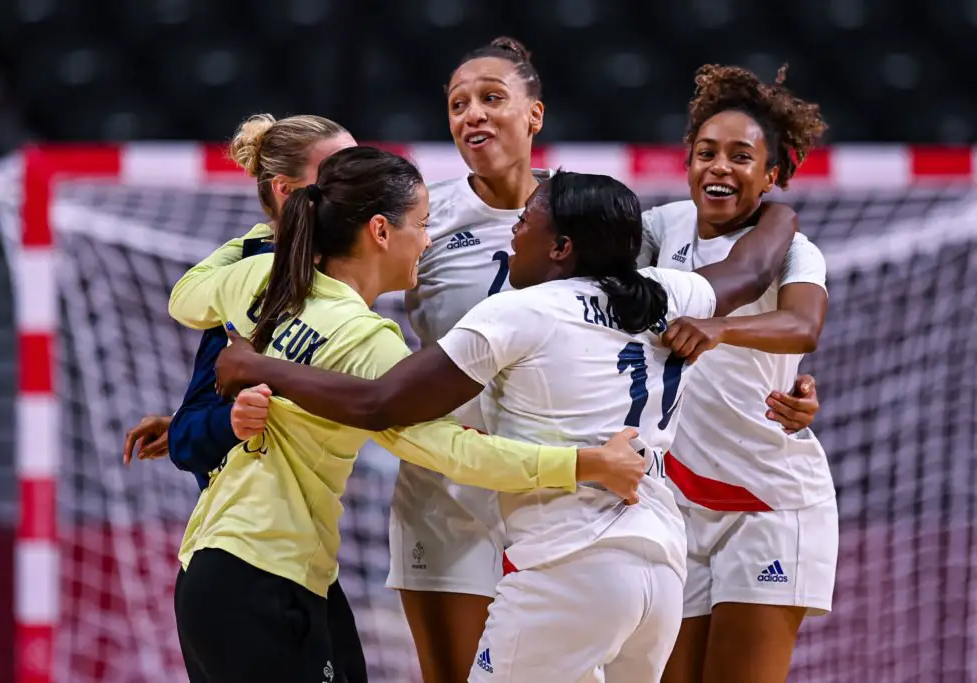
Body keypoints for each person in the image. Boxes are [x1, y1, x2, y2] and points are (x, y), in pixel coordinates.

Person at [211, 170, 806, 682]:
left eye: (525, 222)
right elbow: (753, 268)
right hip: (661, 572)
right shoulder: (668, 293)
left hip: (569, 567)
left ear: (562, 247)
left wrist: (259, 366)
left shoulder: (519, 312)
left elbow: (381, 403)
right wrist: (782, 209)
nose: (512, 234)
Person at [386, 36, 822, 683]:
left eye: (492, 98)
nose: (473, 113)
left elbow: (776, 301)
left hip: (614, 496)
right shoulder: (427, 216)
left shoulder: (594, 219)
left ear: (535, 115)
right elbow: (352, 286)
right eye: (458, 103)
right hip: (473, 486)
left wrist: (772, 235)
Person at [167, 147, 647, 683]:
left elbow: (184, 298)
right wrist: (585, 463)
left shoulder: (260, 275)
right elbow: (453, 452)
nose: (427, 240)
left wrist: (263, 239)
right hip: (268, 577)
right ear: (380, 231)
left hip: (210, 569)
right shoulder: (365, 341)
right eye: (420, 225)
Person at [121, 113, 366, 683]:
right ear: (286, 190)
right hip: (246, 570)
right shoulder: (252, 281)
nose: (355, 181)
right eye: (337, 171)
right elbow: (191, 438)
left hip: (305, 567)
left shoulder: (337, 270)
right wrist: (226, 422)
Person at [640, 65, 833, 683]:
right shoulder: (661, 227)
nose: (719, 167)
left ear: (771, 175)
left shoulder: (795, 250)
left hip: (768, 501)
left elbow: (802, 325)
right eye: (706, 153)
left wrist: (720, 328)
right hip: (680, 502)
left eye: (741, 157)